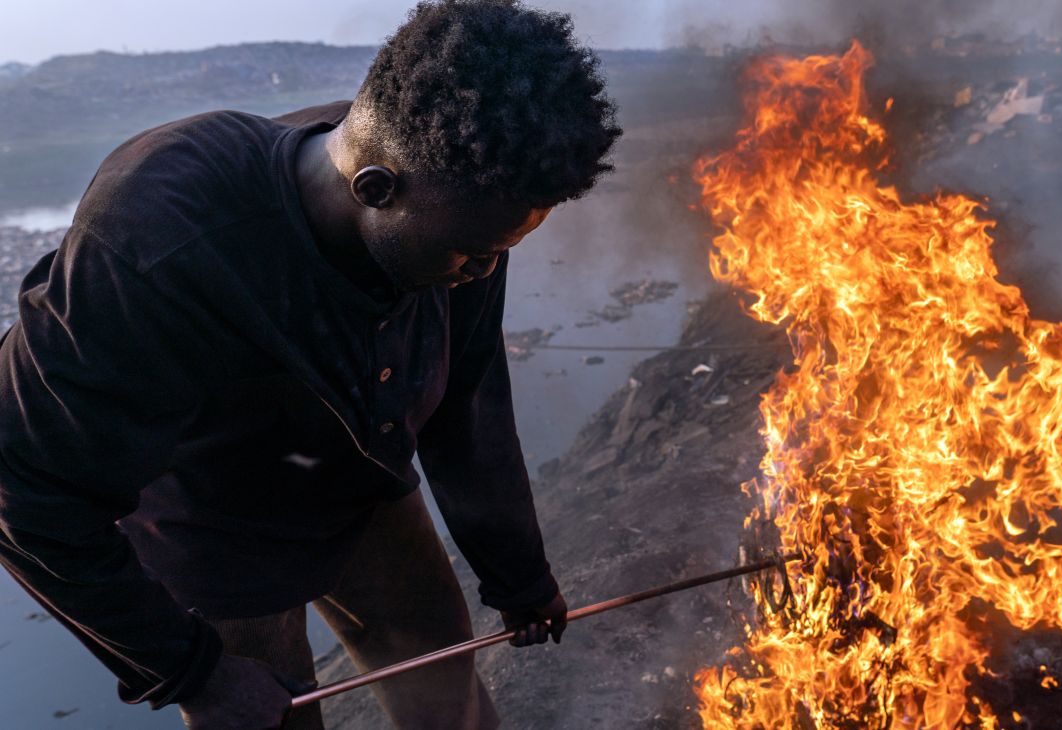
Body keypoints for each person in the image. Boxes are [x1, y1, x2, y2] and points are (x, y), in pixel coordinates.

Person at [0, 1, 621, 728]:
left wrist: (517, 572)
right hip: (214, 524)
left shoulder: (465, 187)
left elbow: (469, 401)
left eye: (502, 249)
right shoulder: (158, 233)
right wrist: (189, 670)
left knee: (446, 689)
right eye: (473, 252)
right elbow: (25, 491)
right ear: (375, 190)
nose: (485, 272)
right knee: (273, 716)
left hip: (356, 473)